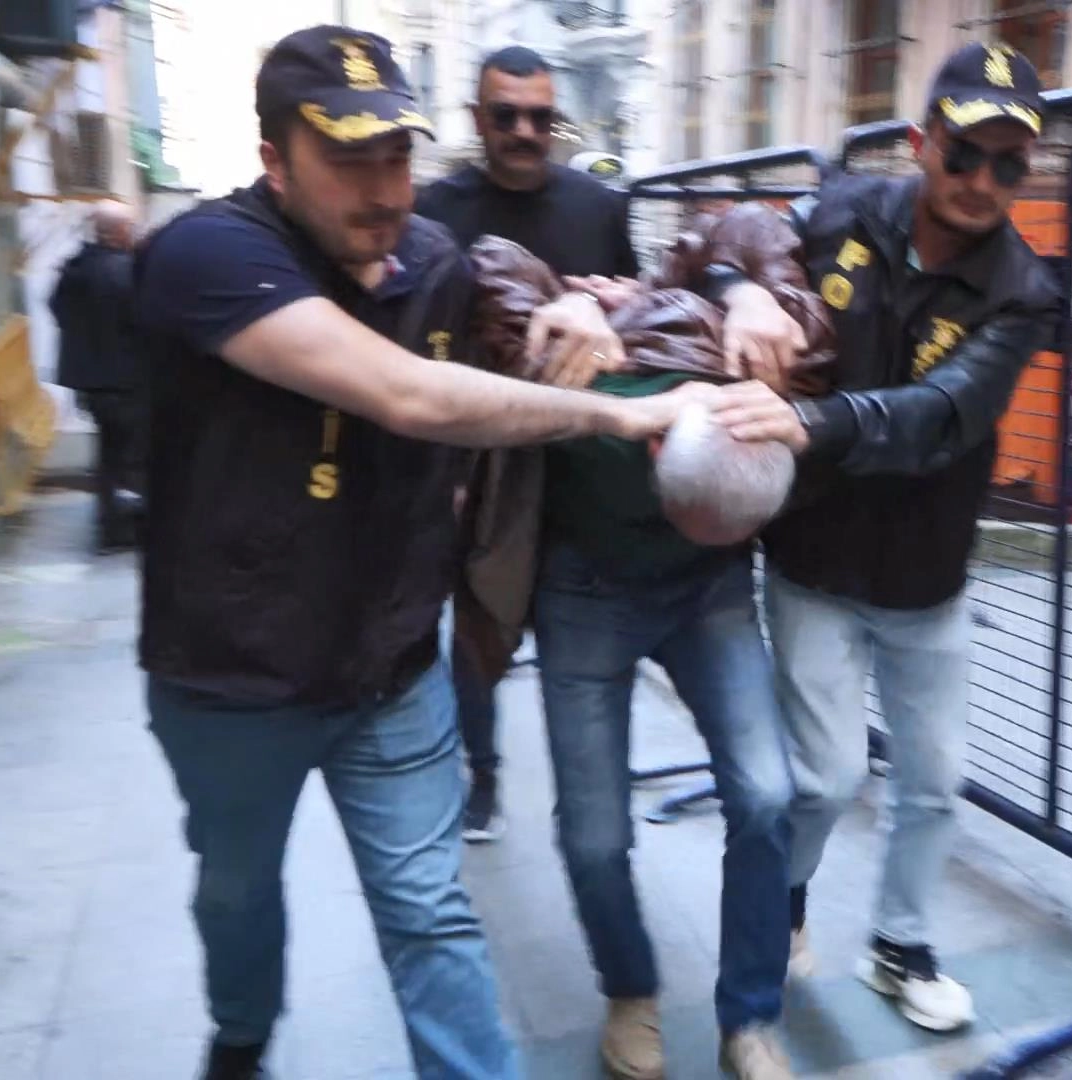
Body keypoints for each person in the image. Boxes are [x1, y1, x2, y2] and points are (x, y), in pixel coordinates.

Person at [130, 27, 708, 1080]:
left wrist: (573, 301)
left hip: (388, 665)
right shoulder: (208, 255)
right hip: (231, 675)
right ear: (274, 162)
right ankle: (241, 1034)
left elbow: (521, 299)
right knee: (236, 891)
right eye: (348, 158)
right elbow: (406, 394)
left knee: (430, 912)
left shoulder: (434, 261)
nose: (384, 188)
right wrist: (618, 417)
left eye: (397, 154)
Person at [700, 42, 1064, 1033]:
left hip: (925, 579)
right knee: (822, 779)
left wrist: (812, 423)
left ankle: (901, 946)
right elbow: (731, 236)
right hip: (813, 561)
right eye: (965, 152)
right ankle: (784, 904)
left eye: (1009, 164)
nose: (982, 180)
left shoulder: (1024, 290)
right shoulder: (843, 209)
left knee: (935, 782)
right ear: (921, 141)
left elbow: (947, 412)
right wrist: (740, 290)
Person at [460, 207, 829, 1080]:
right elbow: (485, 259)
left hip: (708, 595)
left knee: (767, 793)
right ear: (659, 448)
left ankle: (751, 1017)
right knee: (593, 833)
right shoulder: (583, 361)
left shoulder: (741, 367)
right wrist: (568, 304)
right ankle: (629, 990)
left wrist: (752, 296)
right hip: (584, 593)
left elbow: (747, 226)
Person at [416, 44, 638, 843]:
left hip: (578, 454)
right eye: (506, 115)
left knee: (581, 630)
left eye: (540, 117)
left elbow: (629, 313)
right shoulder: (434, 211)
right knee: (478, 620)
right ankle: (481, 774)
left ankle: (590, 802)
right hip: (477, 454)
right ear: (477, 118)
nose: (524, 131)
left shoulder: (597, 207)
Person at [50, 199, 145, 552]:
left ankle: (109, 529)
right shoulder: (125, 272)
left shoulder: (75, 268)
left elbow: (58, 310)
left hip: (92, 383)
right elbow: (145, 323)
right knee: (131, 459)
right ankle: (124, 529)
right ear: (118, 231)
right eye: (129, 227)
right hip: (127, 381)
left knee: (109, 457)